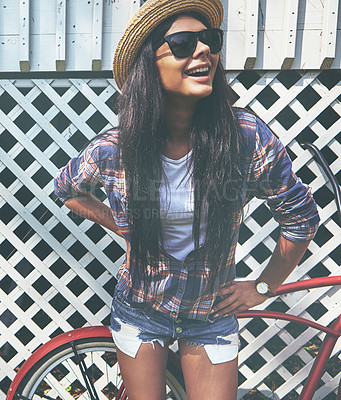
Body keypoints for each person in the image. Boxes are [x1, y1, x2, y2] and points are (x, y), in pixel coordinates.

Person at [54, 0, 320, 398]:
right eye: (181, 43)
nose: (203, 51)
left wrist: (264, 287)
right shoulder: (117, 149)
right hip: (140, 309)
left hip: (210, 314)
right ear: (150, 63)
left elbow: (300, 217)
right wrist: (121, 225)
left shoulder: (244, 138)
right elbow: (66, 189)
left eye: (209, 40)